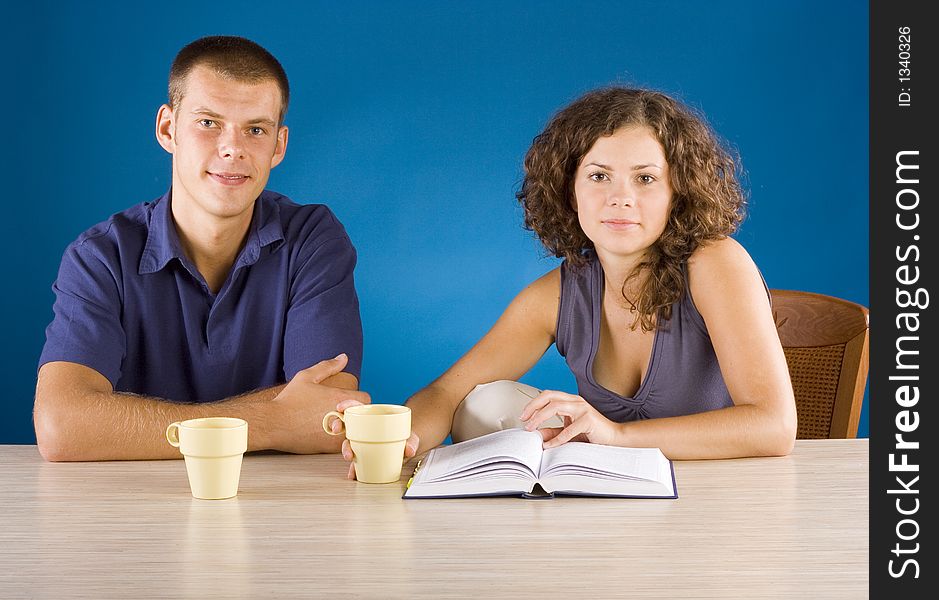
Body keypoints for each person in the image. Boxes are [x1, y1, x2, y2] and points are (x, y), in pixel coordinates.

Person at [334, 86, 796, 478]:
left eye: (645, 178)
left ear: (679, 191)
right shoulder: (557, 294)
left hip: (726, 499)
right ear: (568, 189)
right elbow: (447, 393)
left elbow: (774, 426)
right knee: (485, 402)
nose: (620, 198)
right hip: (613, 506)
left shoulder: (716, 263)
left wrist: (616, 436)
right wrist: (401, 440)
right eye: (599, 176)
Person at [34, 36, 369, 461]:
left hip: (274, 505)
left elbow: (327, 412)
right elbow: (63, 426)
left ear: (279, 145)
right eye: (209, 123)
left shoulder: (313, 239)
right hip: (135, 504)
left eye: (256, 129)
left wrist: (129, 426)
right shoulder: (100, 257)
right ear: (167, 129)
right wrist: (271, 421)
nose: (232, 148)